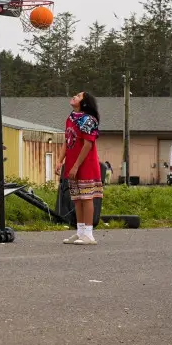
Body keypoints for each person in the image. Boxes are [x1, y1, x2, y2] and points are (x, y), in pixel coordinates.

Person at [60, 91, 103, 245]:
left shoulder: (89, 120)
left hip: (85, 165)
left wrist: (76, 166)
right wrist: (60, 161)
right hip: (72, 164)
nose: (74, 96)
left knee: (86, 198)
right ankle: (80, 232)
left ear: (84, 103)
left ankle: (89, 234)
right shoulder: (71, 118)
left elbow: (87, 144)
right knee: (77, 199)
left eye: (78, 96)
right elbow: (67, 140)